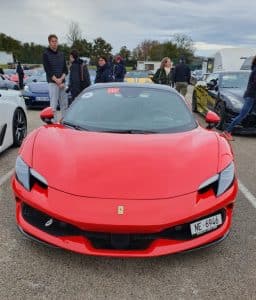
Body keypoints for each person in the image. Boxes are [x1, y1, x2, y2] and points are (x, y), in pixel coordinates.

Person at [222, 55, 256, 141]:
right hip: (251, 96)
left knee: (247, 114)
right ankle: (227, 132)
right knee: (242, 115)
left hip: (252, 95)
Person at [42, 34, 68, 121]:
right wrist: (57, 81)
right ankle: (54, 124)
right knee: (53, 105)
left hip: (62, 83)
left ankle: (65, 121)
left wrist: (61, 80)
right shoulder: (46, 54)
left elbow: (65, 70)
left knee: (64, 104)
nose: (54, 43)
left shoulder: (62, 54)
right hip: (53, 83)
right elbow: (48, 70)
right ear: (49, 42)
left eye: (56, 41)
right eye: (52, 41)